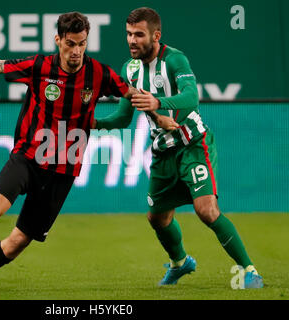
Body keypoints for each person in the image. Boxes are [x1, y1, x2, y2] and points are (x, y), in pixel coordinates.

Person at [0, 11, 177, 292]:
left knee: (19, 241)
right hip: (28, 156)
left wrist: (159, 117)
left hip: (63, 170)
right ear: (58, 40)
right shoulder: (39, 66)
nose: (76, 51)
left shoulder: (98, 73)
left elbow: (130, 93)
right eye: (70, 44)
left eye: (82, 44)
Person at [93, 7, 263, 288]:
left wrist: (159, 102)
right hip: (162, 152)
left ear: (156, 35)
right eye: (128, 34)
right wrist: (93, 124)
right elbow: (123, 117)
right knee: (157, 218)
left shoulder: (174, 60)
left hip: (193, 143)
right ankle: (181, 263)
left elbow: (192, 97)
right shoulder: (129, 70)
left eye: (139, 34)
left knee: (206, 210)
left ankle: (249, 271)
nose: (132, 40)